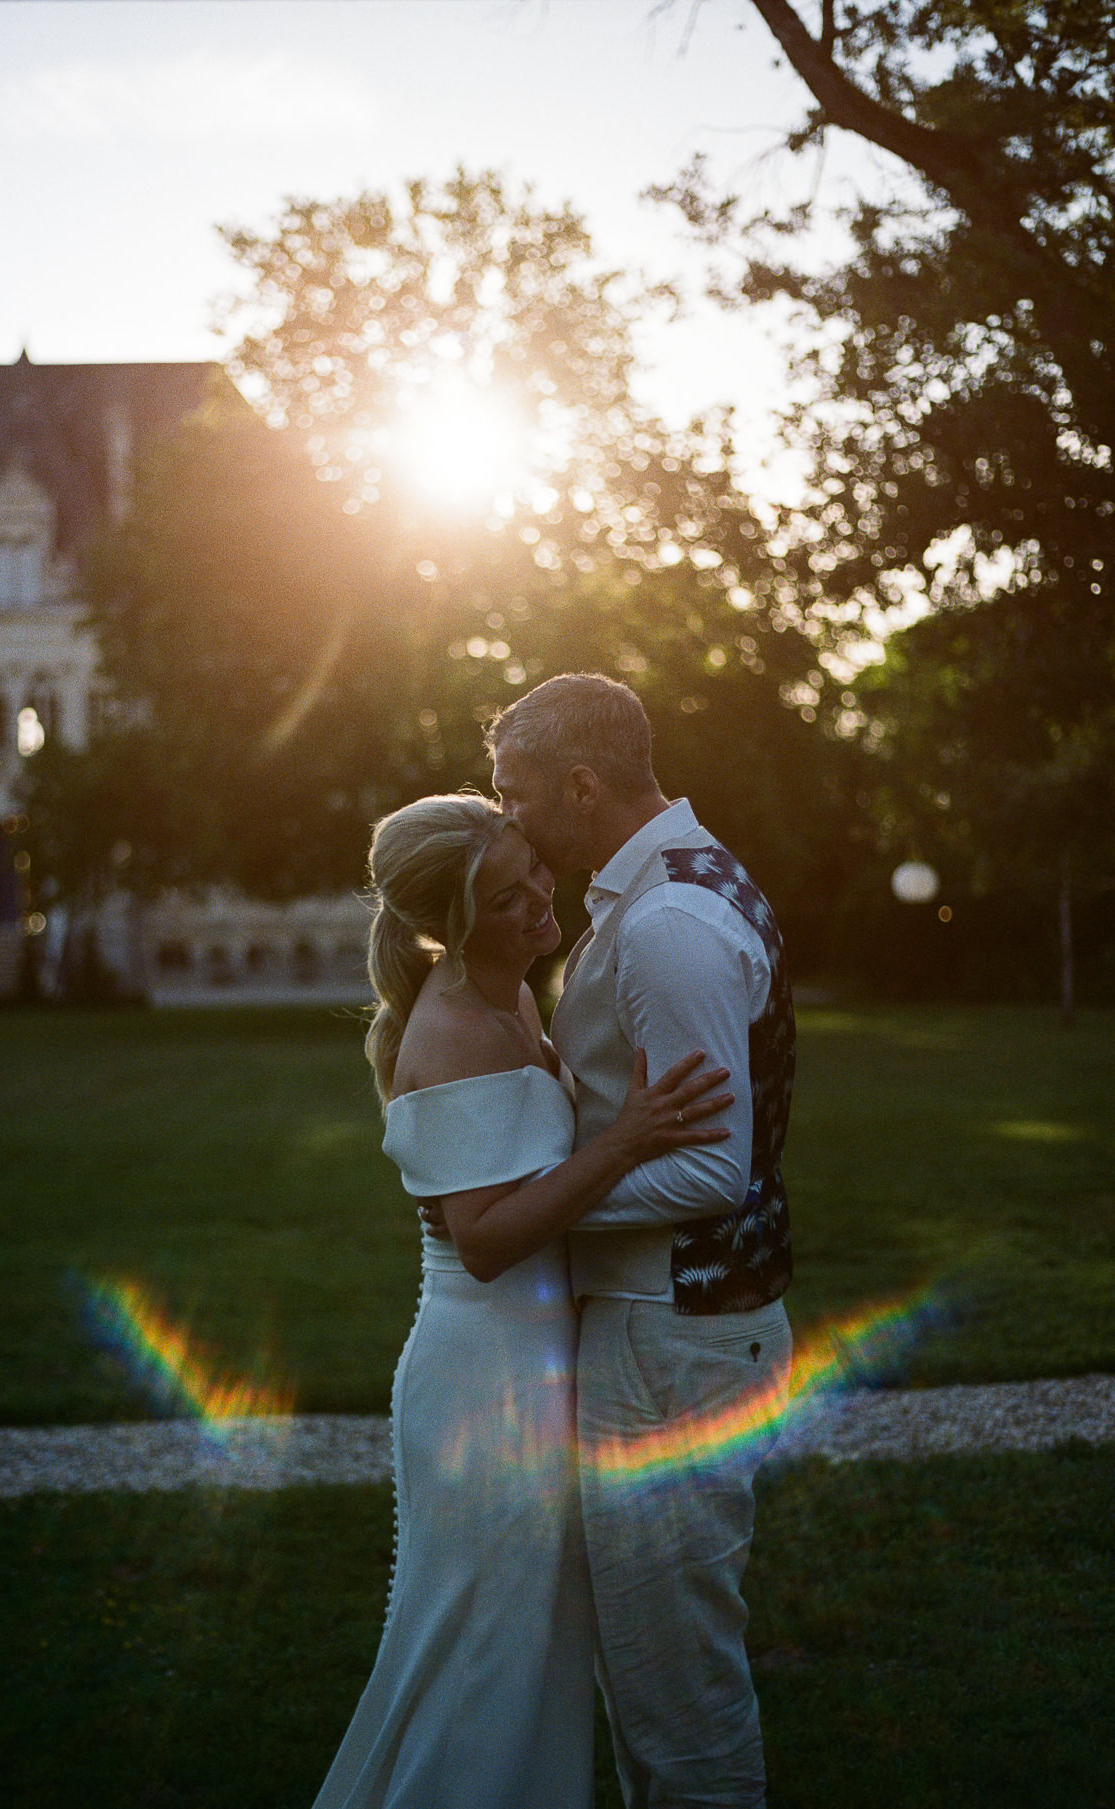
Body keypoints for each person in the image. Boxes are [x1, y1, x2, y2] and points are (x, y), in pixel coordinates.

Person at [312, 791, 734, 1809]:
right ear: (449, 928)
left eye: (532, 869)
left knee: (535, 1642)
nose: (541, 899)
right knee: (483, 1652)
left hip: (528, 1361)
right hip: (482, 1373)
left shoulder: (512, 996)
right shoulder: (455, 1027)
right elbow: (488, 1239)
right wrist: (627, 1142)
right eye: (506, 899)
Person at [482, 673, 796, 1809]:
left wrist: (529, 1207)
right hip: (670, 1324)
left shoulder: (668, 923)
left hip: (676, 1334)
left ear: (580, 784)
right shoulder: (662, 887)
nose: (505, 817)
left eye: (516, 795)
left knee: (678, 1699)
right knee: (647, 1678)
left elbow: (712, 1167)